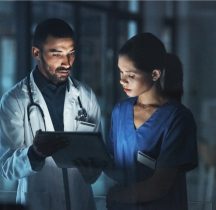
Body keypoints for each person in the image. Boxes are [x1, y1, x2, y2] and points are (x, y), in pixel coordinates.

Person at [0, 18, 101, 210]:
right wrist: (35, 153)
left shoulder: (86, 97)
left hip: (81, 203)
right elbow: (5, 167)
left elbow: (95, 167)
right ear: (36, 53)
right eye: (57, 54)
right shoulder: (14, 100)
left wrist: (93, 167)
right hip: (37, 204)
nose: (67, 62)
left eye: (71, 53)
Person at [105, 33, 198, 210]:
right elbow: (114, 166)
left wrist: (118, 195)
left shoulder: (177, 119)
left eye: (130, 75)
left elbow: (159, 185)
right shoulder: (120, 112)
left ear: (155, 74)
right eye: (120, 72)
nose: (122, 80)